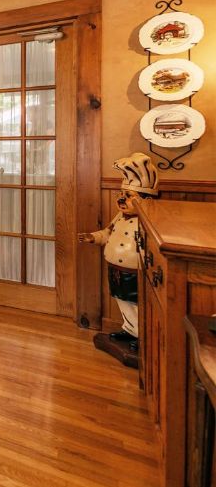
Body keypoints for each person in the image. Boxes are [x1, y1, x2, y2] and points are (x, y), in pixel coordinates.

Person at [78, 152, 159, 357]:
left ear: (146, 200)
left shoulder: (151, 222)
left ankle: (144, 336)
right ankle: (131, 331)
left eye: (130, 196)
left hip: (137, 271)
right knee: (122, 301)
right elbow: (108, 232)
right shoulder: (120, 217)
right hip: (117, 269)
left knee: (137, 304)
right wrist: (93, 237)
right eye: (121, 193)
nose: (122, 198)